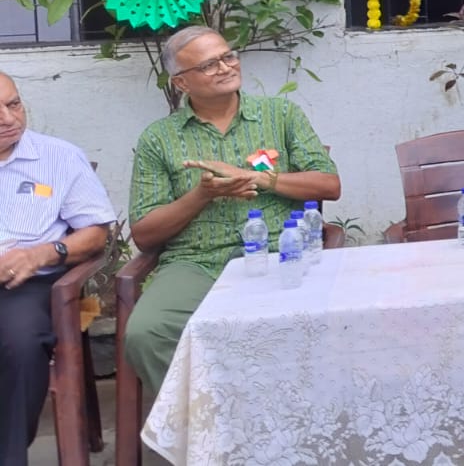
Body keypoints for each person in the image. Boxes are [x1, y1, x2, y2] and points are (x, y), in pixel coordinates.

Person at [123, 26, 341, 400]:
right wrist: (202, 194)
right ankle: (204, 427)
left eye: (228, 56)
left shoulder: (280, 115)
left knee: (314, 319)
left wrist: (262, 178)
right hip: (196, 262)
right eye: (209, 65)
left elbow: (329, 184)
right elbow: (144, 233)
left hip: (279, 251)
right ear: (181, 84)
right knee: (146, 332)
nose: (225, 68)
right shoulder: (158, 138)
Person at [0, 72, 115, 463]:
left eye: (13, 104)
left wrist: (39, 255)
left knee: (21, 342)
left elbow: (95, 235)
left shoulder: (58, 157)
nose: (7, 117)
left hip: (27, 284)